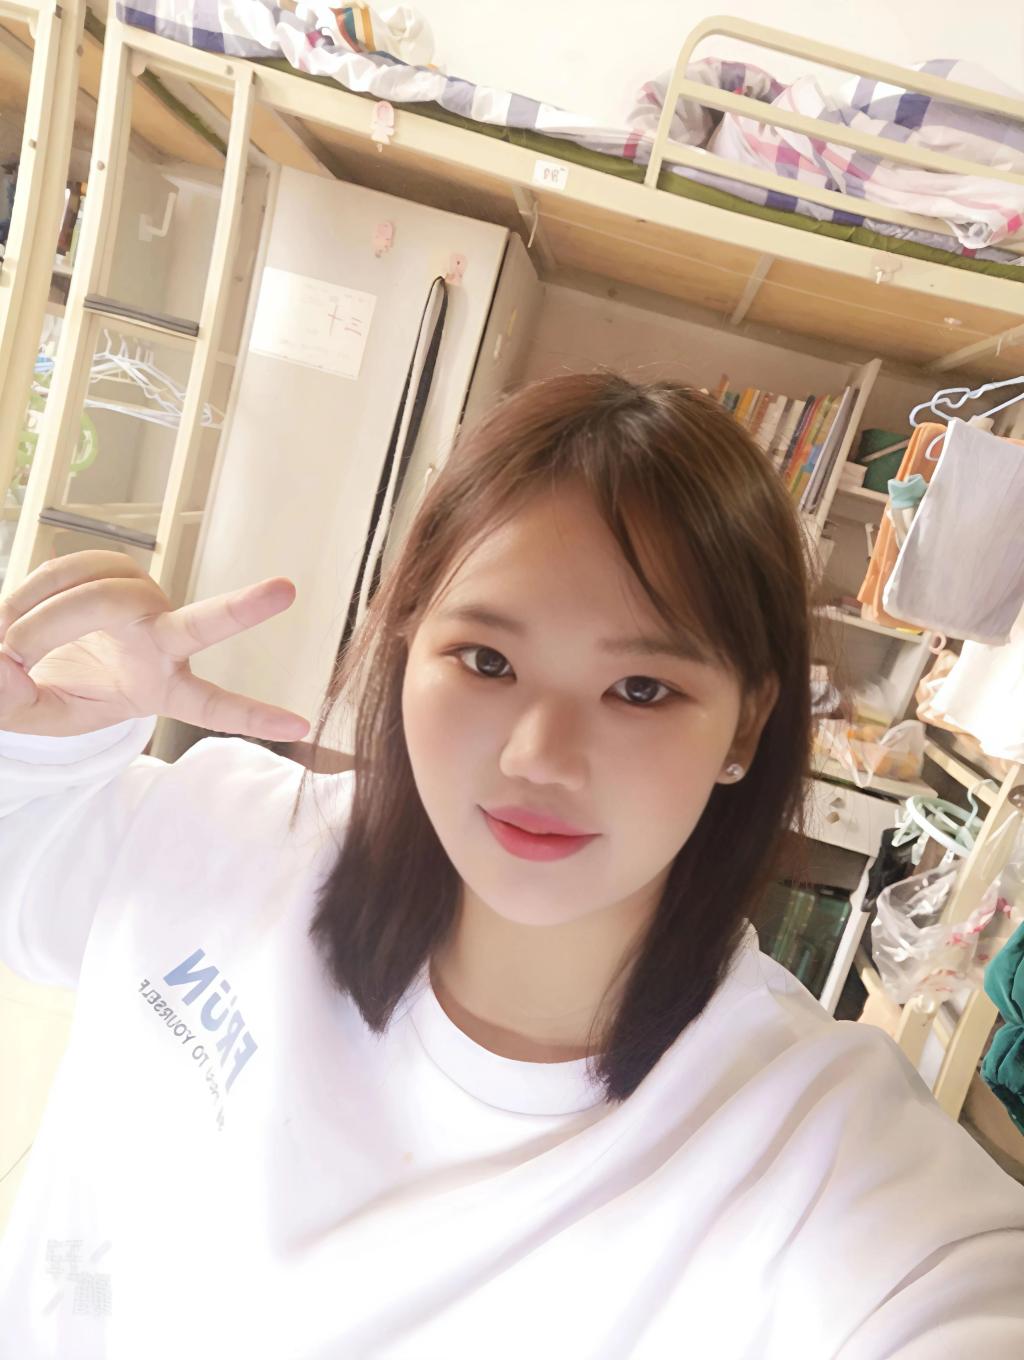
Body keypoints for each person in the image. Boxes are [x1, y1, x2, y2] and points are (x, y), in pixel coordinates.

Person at [0, 372, 1021, 1358]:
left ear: (745, 723)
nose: (539, 756)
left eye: (640, 689)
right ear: (407, 644)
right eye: (486, 662)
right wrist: (32, 744)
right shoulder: (223, 833)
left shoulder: (809, 1148)